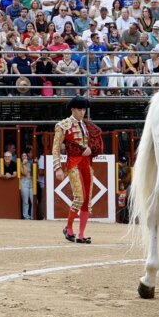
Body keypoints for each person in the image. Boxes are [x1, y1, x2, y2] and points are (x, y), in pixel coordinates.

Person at [52, 95, 103, 243]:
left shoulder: (88, 126)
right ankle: (68, 228)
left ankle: (81, 234)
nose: (82, 113)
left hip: (87, 164)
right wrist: (58, 168)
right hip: (74, 163)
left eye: (84, 110)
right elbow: (56, 149)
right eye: (80, 109)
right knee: (79, 197)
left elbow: (95, 143)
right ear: (73, 109)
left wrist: (91, 149)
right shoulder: (63, 125)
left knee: (87, 200)